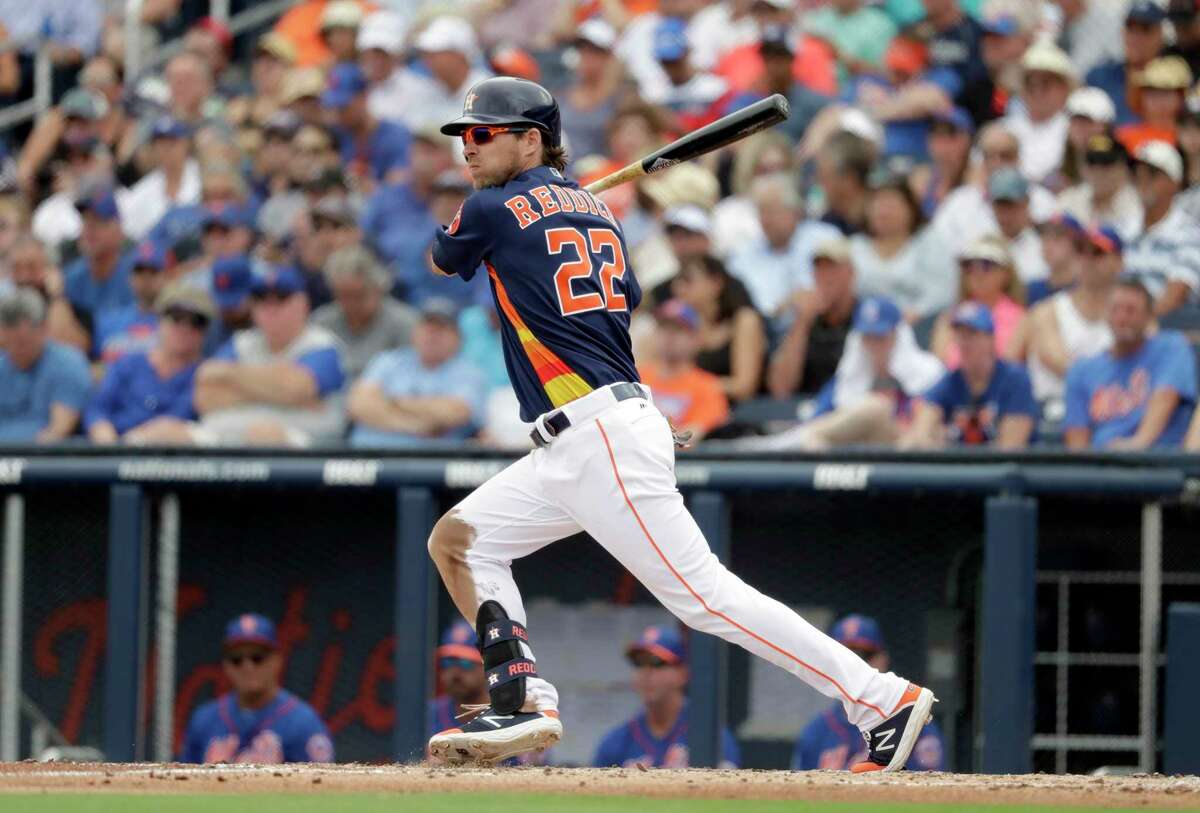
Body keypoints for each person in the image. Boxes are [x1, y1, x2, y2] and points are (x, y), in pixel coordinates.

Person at [424, 77, 937, 770]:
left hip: (599, 432)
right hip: (589, 430)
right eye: (466, 135)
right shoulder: (598, 216)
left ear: (530, 139)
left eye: (485, 134)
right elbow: (610, 311)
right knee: (460, 541)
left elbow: (442, 257)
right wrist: (558, 207)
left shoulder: (493, 208)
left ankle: (880, 698)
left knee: (707, 599)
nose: (469, 147)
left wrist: (519, 209)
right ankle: (521, 696)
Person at [741, 296, 943, 451]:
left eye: (881, 337)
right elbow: (818, 417)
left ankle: (778, 445)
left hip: (908, 452)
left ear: (898, 336)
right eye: (868, 338)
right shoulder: (849, 379)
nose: (874, 346)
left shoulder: (928, 373)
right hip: (855, 455)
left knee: (876, 407)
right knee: (817, 440)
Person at [193, 265, 346, 447]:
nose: (270, 308)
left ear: (303, 303)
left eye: (281, 299)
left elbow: (295, 388)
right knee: (165, 431)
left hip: (303, 449)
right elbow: (204, 397)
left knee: (264, 436)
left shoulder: (322, 344)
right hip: (228, 440)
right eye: (261, 300)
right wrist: (280, 391)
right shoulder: (242, 342)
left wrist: (229, 376)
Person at [793, 615, 945, 771]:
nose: (855, 666)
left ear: (883, 659)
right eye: (845, 657)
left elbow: (930, 785)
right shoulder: (815, 732)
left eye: (865, 656)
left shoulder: (915, 723)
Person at [180, 614, 334, 764]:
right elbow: (181, 784)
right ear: (226, 666)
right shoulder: (204, 720)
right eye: (237, 659)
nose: (248, 667)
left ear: (277, 661)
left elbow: (326, 786)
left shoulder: (304, 723)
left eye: (257, 658)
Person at [1064, 278, 1198, 450]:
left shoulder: (1171, 346)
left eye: (1131, 311)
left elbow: (1165, 398)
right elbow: (1077, 442)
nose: (1122, 318)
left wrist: (1136, 445)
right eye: (1115, 310)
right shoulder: (1082, 369)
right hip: (1101, 466)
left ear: (1149, 316)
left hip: (1158, 464)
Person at [593, 625, 740, 769]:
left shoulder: (711, 737)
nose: (646, 673)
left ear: (683, 673)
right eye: (639, 664)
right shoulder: (616, 742)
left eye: (657, 664)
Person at [347, 298, 486, 447]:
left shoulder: (468, 372)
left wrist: (391, 402)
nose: (432, 334)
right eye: (427, 326)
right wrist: (414, 426)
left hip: (432, 462)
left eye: (441, 328)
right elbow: (357, 405)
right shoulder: (389, 360)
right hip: (368, 457)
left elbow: (456, 412)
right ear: (415, 331)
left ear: (457, 337)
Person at [85, 284, 213, 444]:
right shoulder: (127, 364)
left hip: (176, 461)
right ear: (159, 320)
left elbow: (179, 425)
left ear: (206, 331)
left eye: (196, 322)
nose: (184, 328)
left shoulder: (207, 377)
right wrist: (105, 436)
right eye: (176, 318)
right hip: (115, 453)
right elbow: (98, 409)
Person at [1010, 225, 1117, 412]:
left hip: (1112, 413)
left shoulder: (1132, 315)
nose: (1088, 260)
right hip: (1051, 410)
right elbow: (1056, 361)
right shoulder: (1047, 310)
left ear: (1119, 261)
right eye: (1082, 251)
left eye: (1098, 253)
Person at [902, 302, 1038, 449]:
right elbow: (922, 428)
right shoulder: (951, 381)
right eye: (959, 335)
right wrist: (930, 438)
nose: (964, 343)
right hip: (959, 468)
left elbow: (1011, 447)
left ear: (990, 339)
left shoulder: (1015, 379)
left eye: (972, 334)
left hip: (1009, 469)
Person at [726, 173, 839, 328]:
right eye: (761, 212)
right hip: (763, 334)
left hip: (821, 327)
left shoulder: (824, 238)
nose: (765, 220)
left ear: (795, 210)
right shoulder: (743, 255)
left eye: (772, 211)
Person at [850, 173, 954, 321]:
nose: (883, 212)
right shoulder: (855, 247)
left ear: (910, 208)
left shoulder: (929, 242)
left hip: (920, 326)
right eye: (877, 204)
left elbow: (943, 292)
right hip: (864, 327)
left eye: (890, 204)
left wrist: (915, 313)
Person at [768, 237, 860, 400]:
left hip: (854, 407)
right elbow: (781, 388)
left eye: (833, 268)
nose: (826, 277)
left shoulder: (867, 316)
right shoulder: (805, 319)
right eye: (819, 269)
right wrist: (802, 321)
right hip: (807, 408)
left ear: (851, 273)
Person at [312, 245, 416, 380]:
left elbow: (410, 378)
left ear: (378, 288)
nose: (350, 304)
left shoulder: (404, 324)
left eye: (358, 296)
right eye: (342, 296)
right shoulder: (322, 322)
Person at [673, 255, 767, 404]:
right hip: (696, 407)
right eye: (678, 281)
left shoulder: (744, 320)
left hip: (739, 412)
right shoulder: (684, 325)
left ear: (716, 283)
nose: (678, 288)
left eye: (688, 280)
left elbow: (744, 386)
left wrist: (691, 386)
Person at [0, 288, 90, 443]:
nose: (16, 349)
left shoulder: (68, 364)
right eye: (9, 342)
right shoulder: (2, 366)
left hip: (43, 459)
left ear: (43, 329)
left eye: (23, 342)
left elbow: (58, 431)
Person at [636, 300, 730, 444]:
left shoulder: (708, 387)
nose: (669, 336)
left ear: (696, 339)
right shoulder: (635, 377)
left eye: (678, 330)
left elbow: (688, 437)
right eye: (663, 328)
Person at [1124, 140, 1200, 314]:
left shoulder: (1190, 234)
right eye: (1137, 174)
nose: (1142, 181)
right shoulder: (1123, 229)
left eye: (1152, 174)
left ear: (1175, 183)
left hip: (1166, 332)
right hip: (1119, 328)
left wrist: (1136, 328)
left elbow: (1174, 297)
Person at [930, 235, 1026, 369]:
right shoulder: (948, 319)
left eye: (986, 265)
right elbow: (939, 367)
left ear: (1006, 273)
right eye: (969, 266)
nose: (977, 273)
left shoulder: (1023, 319)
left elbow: (1007, 364)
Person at [321, 62, 411, 189]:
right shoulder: (337, 134)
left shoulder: (396, 136)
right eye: (334, 107)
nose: (338, 114)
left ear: (364, 96)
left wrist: (370, 187)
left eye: (343, 107)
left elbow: (400, 190)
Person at [1004, 40, 1076, 186]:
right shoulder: (1004, 129)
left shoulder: (1074, 129)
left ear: (1064, 88)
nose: (1037, 90)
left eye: (1046, 83)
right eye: (1030, 83)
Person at [117, 116, 201, 242]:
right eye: (161, 143)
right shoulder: (143, 190)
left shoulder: (204, 178)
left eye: (172, 142)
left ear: (186, 143)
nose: (166, 149)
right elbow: (128, 232)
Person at [1085, 1, 1166, 126]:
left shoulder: (1172, 80)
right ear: (1123, 32)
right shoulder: (1101, 76)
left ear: (1160, 35)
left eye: (1145, 29)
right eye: (1131, 28)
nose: (1136, 38)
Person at [64, 185, 133, 323]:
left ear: (119, 230)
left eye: (98, 222)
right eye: (85, 221)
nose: (89, 229)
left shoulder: (137, 273)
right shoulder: (71, 278)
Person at [94, 240, 170, 365]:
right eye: (139, 271)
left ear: (166, 277)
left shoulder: (181, 323)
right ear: (130, 278)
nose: (146, 278)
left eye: (153, 271)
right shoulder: (107, 321)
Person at [1057, 133, 1143, 241]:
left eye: (1106, 164)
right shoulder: (1069, 198)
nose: (1098, 172)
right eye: (1092, 163)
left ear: (1124, 169)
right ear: (1083, 169)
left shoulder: (1138, 204)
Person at [986, 167, 1049, 286]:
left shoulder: (1042, 248)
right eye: (1000, 206)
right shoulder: (982, 245)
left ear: (1026, 204)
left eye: (1011, 206)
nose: (1005, 214)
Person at [1117, 56, 1192, 154]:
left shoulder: (1191, 138)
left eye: (1166, 92)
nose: (1159, 99)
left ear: (1180, 97)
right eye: (1152, 92)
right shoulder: (1124, 138)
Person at [1025, 213, 1082, 308]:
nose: (1048, 245)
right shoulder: (1032, 289)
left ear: (1077, 244)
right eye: (1044, 237)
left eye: (1057, 238)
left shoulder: (1084, 290)